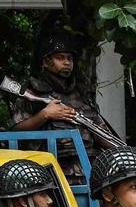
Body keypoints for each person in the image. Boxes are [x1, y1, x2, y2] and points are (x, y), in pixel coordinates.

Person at [10, 34, 119, 184]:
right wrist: (45, 114)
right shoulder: (32, 91)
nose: (67, 62)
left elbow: (98, 131)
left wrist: (122, 150)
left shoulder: (81, 93)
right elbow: (15, 132)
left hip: (87, 170)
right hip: (49, 172)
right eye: (60, 58)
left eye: (69, 58)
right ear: (46, 62)